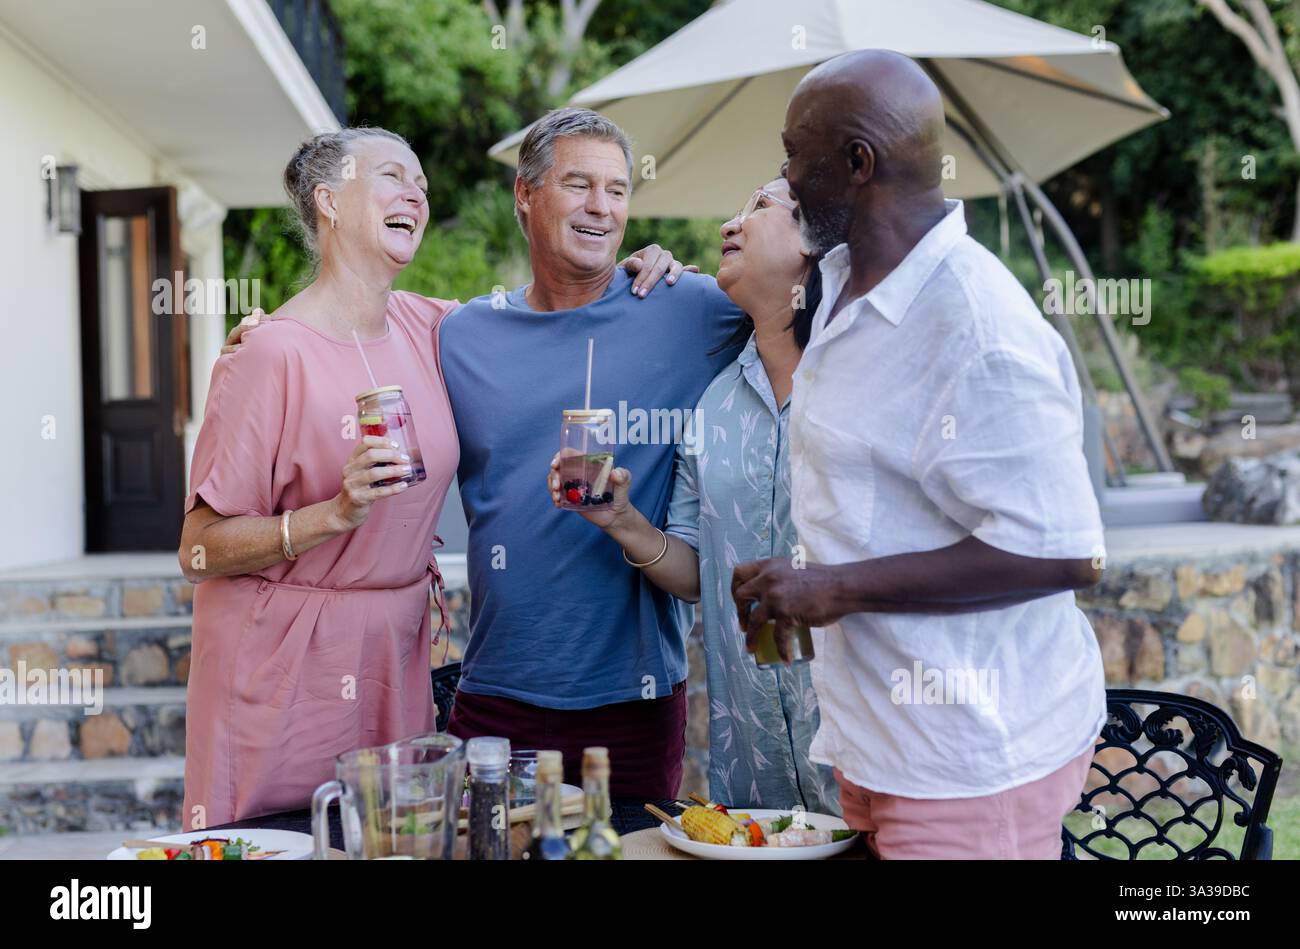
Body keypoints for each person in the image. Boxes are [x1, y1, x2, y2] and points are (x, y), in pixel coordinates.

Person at [732, 50, 1107, 859]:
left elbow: (1067, 550)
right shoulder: (841, 284)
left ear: (856, 163)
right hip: (879, 745)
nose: (785, 173)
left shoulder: (977, 329)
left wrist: (834, 585)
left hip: (970, 762)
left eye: (794, 152)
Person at [440, 107, 744, 799]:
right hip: (496, 694)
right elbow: (362, 326)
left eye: (617, 189)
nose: (601, 208)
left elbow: (804, 304)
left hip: (634, 701)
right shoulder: (461, 333)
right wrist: (263, 330)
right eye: (579, 185)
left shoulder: (686, 306)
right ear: (525, 193)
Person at [180, 128, 459, 827]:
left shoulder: (437, 327)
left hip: (395, 651)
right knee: (287, 841)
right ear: (330, 202)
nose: (416, 194)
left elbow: (549, 316)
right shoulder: (267, 353)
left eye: (422, 183)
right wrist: (329, 515)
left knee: (393, 839)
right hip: (282, 663)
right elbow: (198, 549)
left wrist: (644, 270)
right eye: (394, 176)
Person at [547, 176, 839, 814]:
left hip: (860, 755)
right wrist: (619, 519)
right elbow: (694, 573)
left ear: (819, 247)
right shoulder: (713, 404)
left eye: (760, 208)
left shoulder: (863, 384)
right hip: (752, 767)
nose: (728, 226)